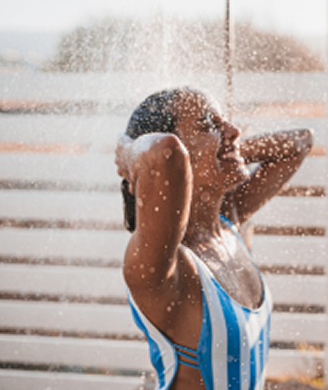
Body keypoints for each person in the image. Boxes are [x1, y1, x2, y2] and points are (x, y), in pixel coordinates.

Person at [114, 87, 313, 390]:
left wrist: (226, 150)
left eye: (225, 122)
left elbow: (300, 142)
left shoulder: (227, 225)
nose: (233, 130)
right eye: (209, 124)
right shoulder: (165, 266)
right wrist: (128, 152)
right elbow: (164, 152)